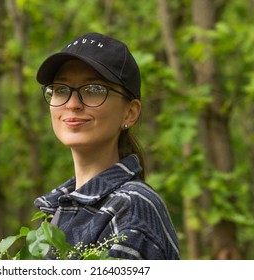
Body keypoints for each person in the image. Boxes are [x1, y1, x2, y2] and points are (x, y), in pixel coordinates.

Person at [34, 32, 179, 260]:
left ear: (130, 113)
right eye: (61, 89)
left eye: (93, 90)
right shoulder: (57, 211)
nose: (72, 104)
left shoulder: (131, 210)